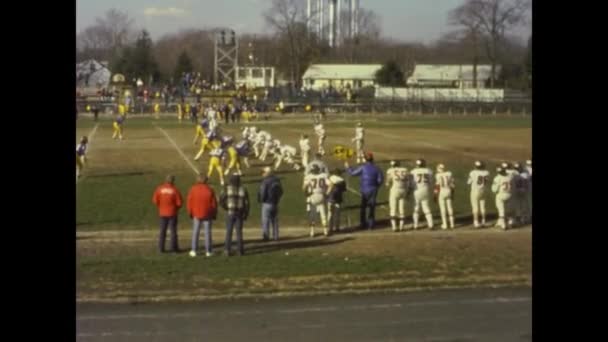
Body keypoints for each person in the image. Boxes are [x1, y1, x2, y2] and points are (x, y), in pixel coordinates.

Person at [344, 152, 384, 230]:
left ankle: (363, 224)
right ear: (372, 159)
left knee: (363, 207)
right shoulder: (377, 168)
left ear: (365, 159)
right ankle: (371, 224)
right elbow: (380, 180)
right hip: (373, 189)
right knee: (372, 207)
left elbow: (353, 173)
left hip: (364, 189)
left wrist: (348, 167)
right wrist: (376, 186)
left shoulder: (363, 167)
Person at [186, 175, 217, 257]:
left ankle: (194, 250)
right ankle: (208, 251)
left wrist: (190, 212)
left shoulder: (193, 189)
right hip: (207, 214)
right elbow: (213, 204)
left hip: (196, 213)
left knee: (195, 232)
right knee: (207, 233)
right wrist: (214, 214)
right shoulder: (210, 190)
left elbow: (189, 202)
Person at [220, 173, 250, 256]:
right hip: (239, 213)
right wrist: (246, 213)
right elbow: (247, 203)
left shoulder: (227, 188)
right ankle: (240, 250)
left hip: (230, 212)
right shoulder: (243, 189)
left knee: (229, 231)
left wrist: (226, 207)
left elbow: (221, 200)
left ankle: (227, 250)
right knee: (239, 232)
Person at [152, 175, 183, 253]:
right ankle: (173, 249)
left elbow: (155, 200)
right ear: (172, 181)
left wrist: (160, 206)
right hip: (172, 213)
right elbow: (179, 203)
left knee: (162, 231)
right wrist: (176, 209)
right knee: (173, 231)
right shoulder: (175, 190)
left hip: (162, 213)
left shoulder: (160, 188)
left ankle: (160, 248)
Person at [303, 164, 330, 237]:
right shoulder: (323, 176)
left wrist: (306, 194)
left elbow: (304, 187)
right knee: (323, 213)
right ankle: (325, 231)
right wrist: (327, 193)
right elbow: (330, 185)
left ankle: (312, 232)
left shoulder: (309, 177)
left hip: (313, 196)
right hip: (321, 195)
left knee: (313, 214)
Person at [258, 167, 283, 241]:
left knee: (265, 220)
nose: (262, 174)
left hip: (267, 203)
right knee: (275, 221)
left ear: (267, 173)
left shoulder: (265, 181)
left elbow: (263, 192)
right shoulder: (277, 180)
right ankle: (276, 236)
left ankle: (266, 236)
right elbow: (281, 191)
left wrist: (261, 200)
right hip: (275, 203)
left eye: (264, 172)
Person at [385, 160, 410, 232]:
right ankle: (401, 227)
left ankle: (394, 227)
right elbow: (407, 181)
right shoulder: (405, 170)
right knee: (401, 209)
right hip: (403, 190)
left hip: (395, 190)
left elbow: (387, 182)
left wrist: (387, 184)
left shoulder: (390, 170)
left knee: (393, 209)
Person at [410, 159, 434, 230]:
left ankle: (416, 225)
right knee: (426, 207)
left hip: (417, 190)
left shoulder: (413, 171)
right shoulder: (429, 171)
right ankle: (431, 224)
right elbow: (430, 181)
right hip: (425, 190)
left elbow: (411, 183)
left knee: (416, 208)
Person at [467, 161, 490, 228]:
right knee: (483, 206)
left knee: (475, 207)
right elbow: (487, 180)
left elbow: (468, 182)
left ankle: (476, 222)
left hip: (475, 191)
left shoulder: (473, 172)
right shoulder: (487, 172)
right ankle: (483, 221)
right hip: (483, 190)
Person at [434, 163, 455, 230]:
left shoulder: (437, 175)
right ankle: (452, 224)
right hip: (448, 191)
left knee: (443, 209)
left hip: (442, 192)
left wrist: (435, 195)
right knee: (450, 207)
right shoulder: (449, 173)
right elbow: (452, 185)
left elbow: (437, 187)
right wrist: (452, 193)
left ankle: (445, 224)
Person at [327, 168, 347, 234]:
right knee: (337, 214)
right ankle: (337, 228)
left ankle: (330, 228)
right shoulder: (342, 180)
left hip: (330, 198)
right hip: (338, 199)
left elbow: (327, 187)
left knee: (330, 214)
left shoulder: (330, 178)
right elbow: (344, 190)